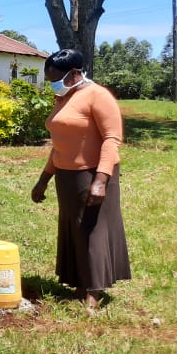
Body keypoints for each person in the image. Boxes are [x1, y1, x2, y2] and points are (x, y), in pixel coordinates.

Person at [31, 49, 130, 314]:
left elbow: (112, 138)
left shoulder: (97, 95)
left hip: (93, 173)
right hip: (66, 176)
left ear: (75, 73)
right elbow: (61, 145)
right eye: (49, 78)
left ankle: (93, 292)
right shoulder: (63, 98)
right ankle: (78, 283)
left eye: (56, 78)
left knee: (91, 231)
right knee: (73, 229)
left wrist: (100, 179)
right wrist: (44, 179)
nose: (52, 83)